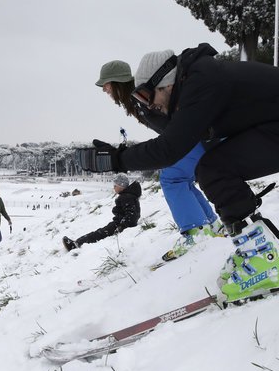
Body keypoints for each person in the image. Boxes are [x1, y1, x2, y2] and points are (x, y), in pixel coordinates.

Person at [75, 44, 279, 304]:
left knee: (215, 169)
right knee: (213, 168)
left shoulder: (201, 83)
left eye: (146, 97)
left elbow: (170, 147)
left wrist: (116, 159)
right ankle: (257, 250)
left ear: (164, 83)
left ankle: (262, 258)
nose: (149, 106)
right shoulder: (196, 80)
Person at [90, 59, 221, 262]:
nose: (104, 90)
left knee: (172, 178)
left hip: (196, 136)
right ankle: (210, 225)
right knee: (180, 179)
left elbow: (171, 124)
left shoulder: (140, 96)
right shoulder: (135, 99)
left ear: (117, 82)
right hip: (197, 135)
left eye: (106, 85)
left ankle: (197, 233)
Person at [62, 173, 141, 251]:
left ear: (122, 186)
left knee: (99, 234)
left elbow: (132, 214)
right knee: (100, 232)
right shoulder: (128, 196)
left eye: (115, 185)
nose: (113, 187)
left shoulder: (127, 197)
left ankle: (76, 244)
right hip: (118, 223)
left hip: (119, 224)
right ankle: (77, 242)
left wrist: (122, 226)